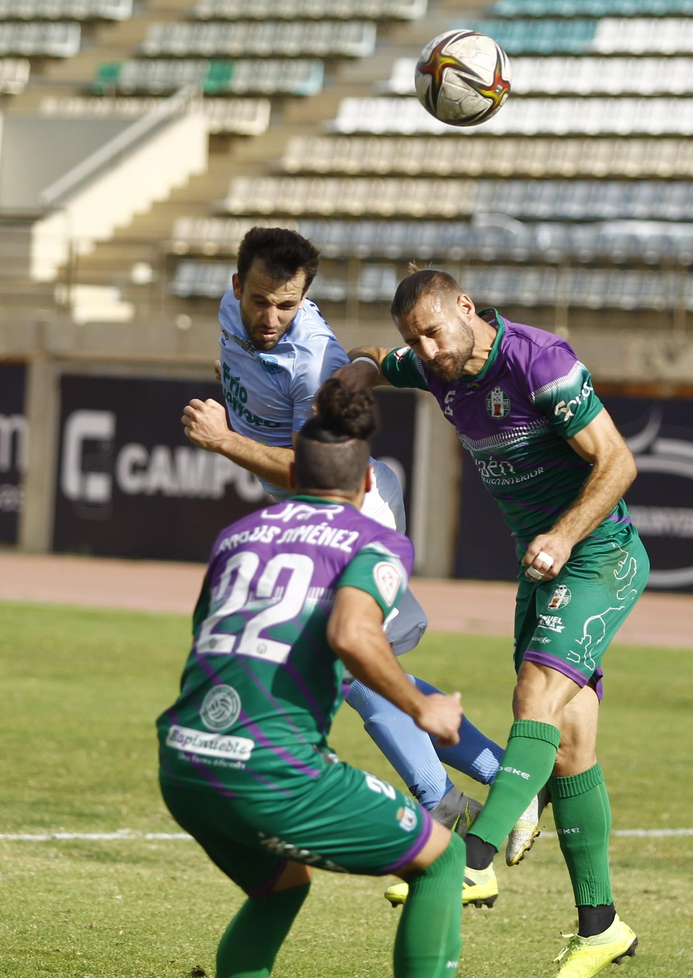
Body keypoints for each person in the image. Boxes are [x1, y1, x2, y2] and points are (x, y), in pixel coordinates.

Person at [338, 268, 645, 978]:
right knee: (569, 746)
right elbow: (375, 361)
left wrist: (566, 535)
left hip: (597, 554)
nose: (428, 349)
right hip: (540, 567)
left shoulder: (540, 362)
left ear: (467, 309)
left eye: (435, 331)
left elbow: (618, 462)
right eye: (415, 338)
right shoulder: (428, 362)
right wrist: (357, 372)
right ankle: (601, 927)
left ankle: (473, 858)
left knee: (534, 696)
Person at [181, 226, 505, 839]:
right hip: (310, 511)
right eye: (259, 301)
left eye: (287, 304)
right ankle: (503, 773)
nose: (271, 316)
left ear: (305, 298)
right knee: (365, 667)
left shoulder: (314, 367)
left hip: (353, 502)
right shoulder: (233, 310)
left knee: (352, 665)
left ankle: (445, 803)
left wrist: (224, 440)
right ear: (235, 288)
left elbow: (325, 467)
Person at [159, 378, 466, 978]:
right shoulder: (376, 541)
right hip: (271, 770)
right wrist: (420, 707)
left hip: (182, 760)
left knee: (280, 890)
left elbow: (204, 636)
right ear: (369, 483)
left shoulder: (236, 537)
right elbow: (353, 635)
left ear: (292, 474)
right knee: (441, 858)